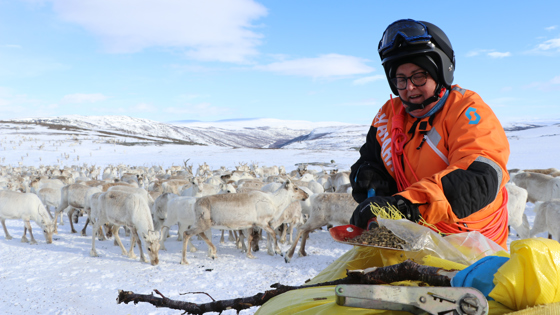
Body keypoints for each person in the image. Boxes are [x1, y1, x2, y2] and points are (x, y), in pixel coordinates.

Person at [349, 19, 511, 249]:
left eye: (419, 76)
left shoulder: (465, 109)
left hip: (472, 244)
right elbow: (370, 160)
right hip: (412, 237)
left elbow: (480, 175)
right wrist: (368, 178)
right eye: (401, 79)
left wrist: (406, 206)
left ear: (440, 72)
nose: (409, 88)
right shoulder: (389, 115)